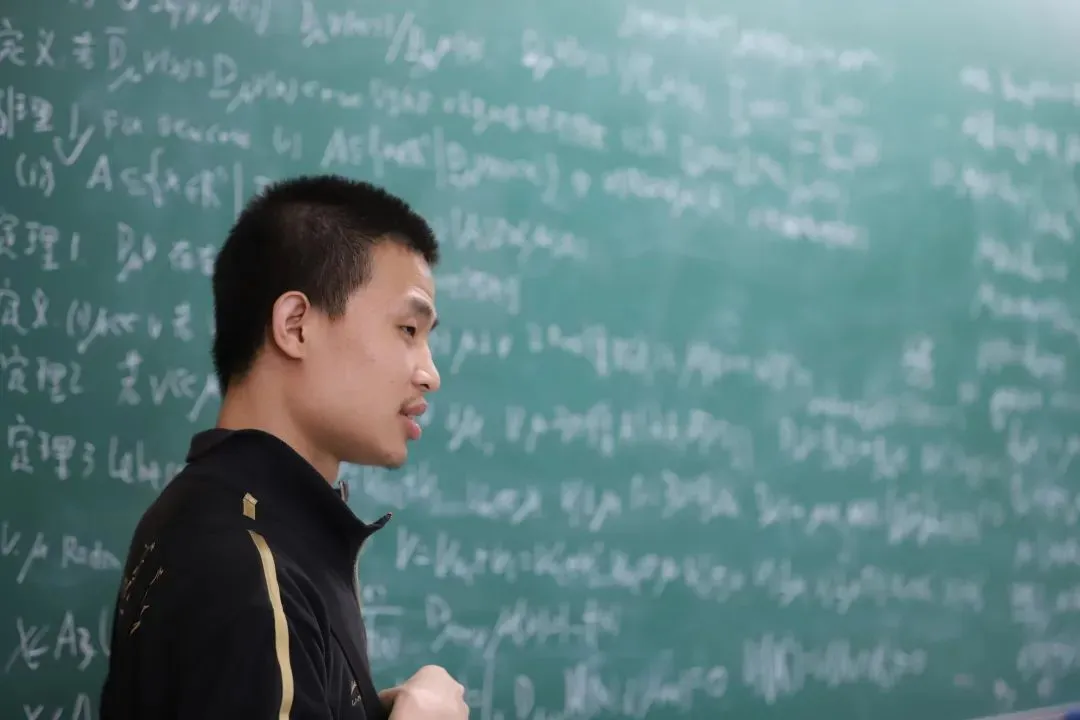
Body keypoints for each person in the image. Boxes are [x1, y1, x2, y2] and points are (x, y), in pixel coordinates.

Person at [98, 175, 468, 720]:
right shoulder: (244, 564)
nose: (429, 373)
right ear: (295, 326)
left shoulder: (238, 518)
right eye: (408, 330)